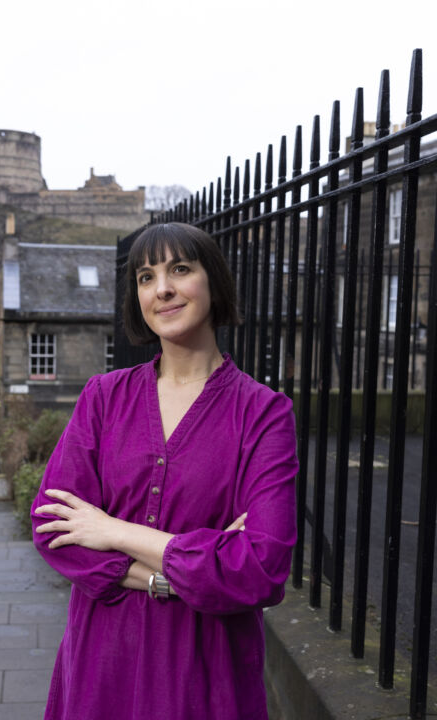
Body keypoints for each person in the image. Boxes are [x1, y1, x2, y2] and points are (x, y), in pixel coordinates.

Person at [31, 222, 298, 720]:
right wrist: (185, 571)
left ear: (212, 281)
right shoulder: (104, 397)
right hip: (101, 664)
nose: (163, 289)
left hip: (205, 671)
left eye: (180, 269)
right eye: (146, 277)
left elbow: (261, 568)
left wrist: (110, 530)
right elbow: (52, 527)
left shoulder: (263, 413)